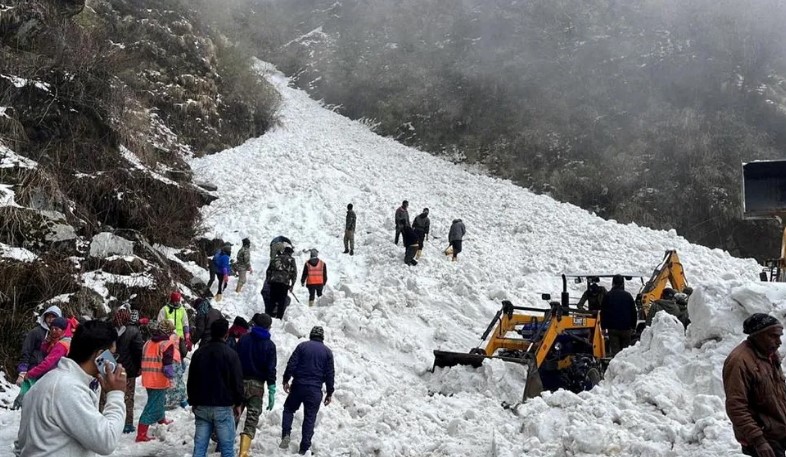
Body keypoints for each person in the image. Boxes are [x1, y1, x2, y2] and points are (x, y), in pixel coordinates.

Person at [16, 320, 127, 456]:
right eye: (113, 355)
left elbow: (20, 444)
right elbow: (106, 441)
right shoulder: (68, 389)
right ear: (100, 356)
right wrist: (116, 393)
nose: (114, 362)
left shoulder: (50, 381)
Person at [723, 314, 786, 457]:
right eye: (773, 336)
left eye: (779, 336)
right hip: (763, 436)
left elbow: (777, 390)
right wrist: (759, 441)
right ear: (758, 335)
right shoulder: (739, 361)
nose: (779, 342)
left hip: (778, 428)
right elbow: (736, 407)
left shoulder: (769, 354)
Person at [188, 319, 244, 457]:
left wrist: (193, 401)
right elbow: (237, 382)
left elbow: (191, 380)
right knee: (227, 448)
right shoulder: (231, 354)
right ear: (226, 334)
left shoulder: (199, 353)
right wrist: (238, 403)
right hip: (223, 407)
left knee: (200, 448)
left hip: (201, 405)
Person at [280, 326, 335, 455]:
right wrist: (330, 392)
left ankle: (286, 434)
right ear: (322, 337)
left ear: (311, 335)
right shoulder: (327, 352)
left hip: (298, 386)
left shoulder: (302, 346)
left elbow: (291, 364)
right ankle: (304, 448)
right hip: (315, 390)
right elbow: (330, 374)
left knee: (289, 409)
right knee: (310, 418)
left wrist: (286, 380)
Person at [236, 313, 277, 457]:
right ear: (268, 327)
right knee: (252, 418)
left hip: (240, 383)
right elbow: (271, 369)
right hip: (257, 386)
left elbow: (235, 359)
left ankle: (223, 444)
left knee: (234, 413)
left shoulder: (244, 339)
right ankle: (243, 451)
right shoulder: (270, 345)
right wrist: (271, 388)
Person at [13, 305, 62, 409]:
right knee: (27, 397)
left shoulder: (59, 337)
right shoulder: (36, 332)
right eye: (48, 316)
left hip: (48, 373)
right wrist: (22, 371)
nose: (50, 319)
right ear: (44, 317)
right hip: (33, 369)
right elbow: (26, 351)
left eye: (54, 317)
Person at [136, 320, 176, 442]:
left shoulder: (148, 342)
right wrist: (172, 377)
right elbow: (167, 366)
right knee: (152, 405)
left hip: (148, 377)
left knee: (157, 400)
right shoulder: (167, 344)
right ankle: (141, 433)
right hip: (158, 379)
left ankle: (161, 419)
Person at [111, 307, 143, 434]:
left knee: (112, 395)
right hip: (128, 369)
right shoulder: (134, 331)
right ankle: (127, 423)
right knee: (128, 397)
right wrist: (139, 366)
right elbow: (138, 351)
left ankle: (112, 420)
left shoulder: (111, 329)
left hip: (112, 367)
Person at [600, 274, 637, 356]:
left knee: (615, 352)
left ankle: (616, 366)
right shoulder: (628, 296)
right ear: (622, 284)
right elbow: (633, 312)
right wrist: (633, 327)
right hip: (626, 328)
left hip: (613, 329)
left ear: (613, 283)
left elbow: (603, 312)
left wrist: (603, 327)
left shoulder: (608, 295)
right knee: (626, 352)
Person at [157, 291, 191, 359]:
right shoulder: (165, 309)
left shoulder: (182, 310)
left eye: (178, 301)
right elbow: (160, 323)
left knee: (183, 354)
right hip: (168, 337)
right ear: (172, 300)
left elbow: (185, 323)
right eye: (175, 301)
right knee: (169, 355)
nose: (177, 302)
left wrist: (187, 335)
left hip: (180, 337)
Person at [266, 244, 298, 319]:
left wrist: (268, 280)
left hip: (273, 282)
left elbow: (269, 270)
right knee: (282, 300)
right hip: (284, 283)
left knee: (272, 299)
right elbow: (294, 273)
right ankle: (279, 317)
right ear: (290, 253)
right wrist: (292, 284)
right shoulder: (291, 260)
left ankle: (269, 315)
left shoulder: (276, 258)